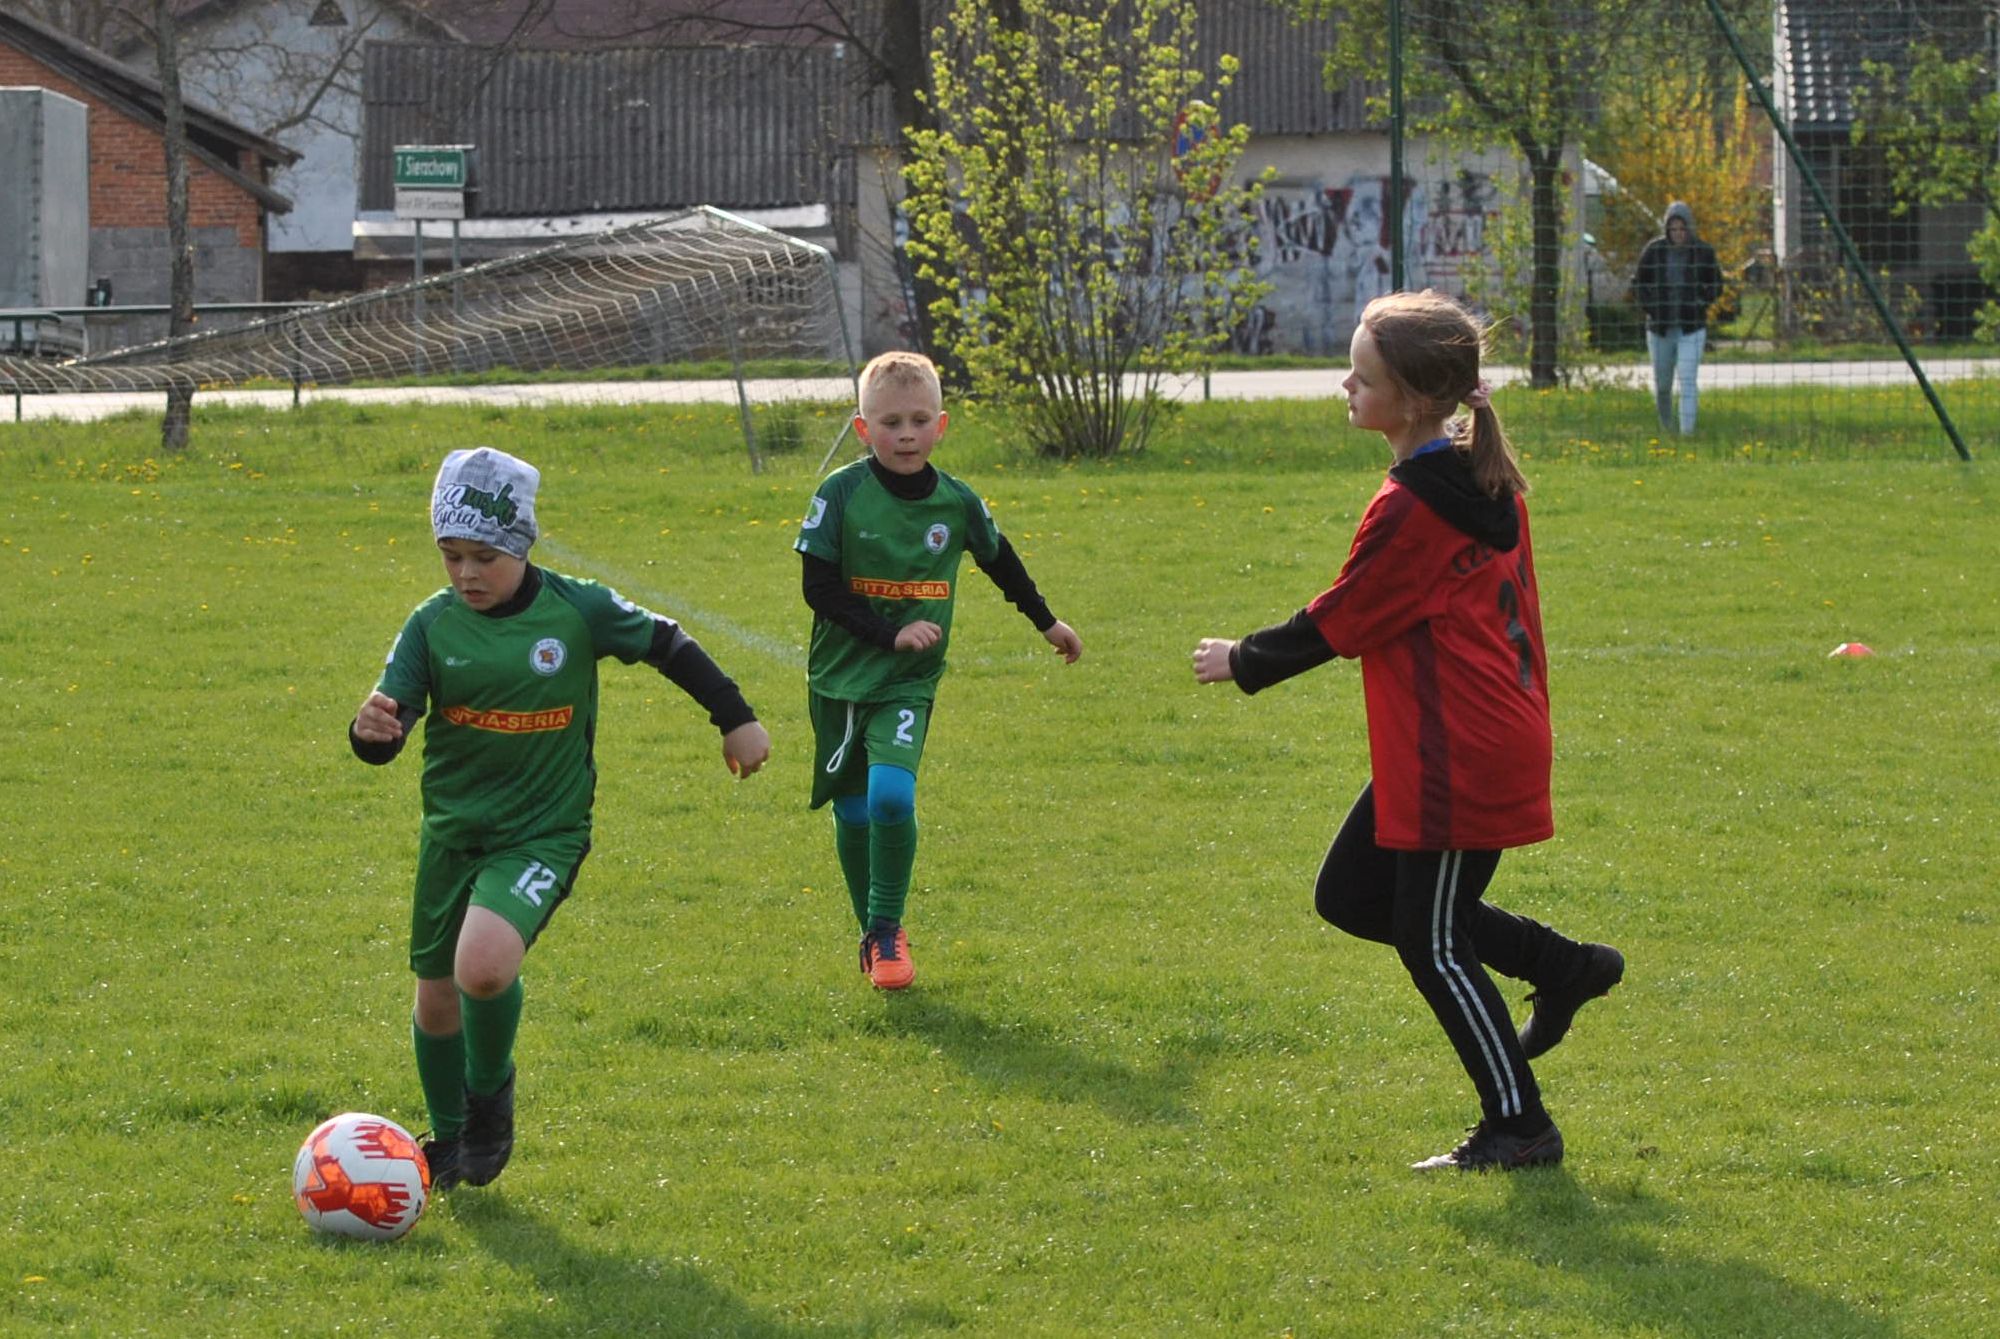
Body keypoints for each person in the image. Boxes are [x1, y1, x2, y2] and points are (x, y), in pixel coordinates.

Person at [1190, 291, 1623, 1173]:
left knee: (1433, 942)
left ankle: (1520, 1125)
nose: (1345, 382)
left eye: (1365, 373)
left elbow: (1347, 615)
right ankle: (1563, 966)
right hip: (1455, 742)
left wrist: (1246, 658)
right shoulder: (1476, 479)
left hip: (1457, 751)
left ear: (1417, 400)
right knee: (1351, 895)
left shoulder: (1416, 506)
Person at [350, 446, 771, 1189]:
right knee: (435, 995)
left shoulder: (575, 610)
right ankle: (448, 1139)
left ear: (523, 543)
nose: (466, 573)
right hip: (451, 836)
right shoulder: (430, 625)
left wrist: (733, 717)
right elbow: (392, 721)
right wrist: (371, 733)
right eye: (450, 556)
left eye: (484, 555)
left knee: (481, 966)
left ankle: (489, 1102)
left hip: (542, 831)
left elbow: (668, 642)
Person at [796, 351, 1082, 990]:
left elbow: (1000, 560)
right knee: (854, 814)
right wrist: (888, 633)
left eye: (919, 420)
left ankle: (887, 927)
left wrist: (1048, 622)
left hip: (909, 679)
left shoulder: (956, 502)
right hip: (840, 678)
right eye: (890, 422)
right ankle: (872, 936)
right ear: (864, 429)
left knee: (891, 798)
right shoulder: (840, 493)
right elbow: (818, 589)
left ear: (941, 425)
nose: (906, 434)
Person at [1633, 201, 1724, 435]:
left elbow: (1716, 284)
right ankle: (1666, 426)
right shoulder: (1654, 251)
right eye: (1673, 229)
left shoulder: (1703, 252)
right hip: (1660, 328)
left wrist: (1701, 302)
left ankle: (1687, 433)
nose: (1678, 234)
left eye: (1682, 229)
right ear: (1667, 229)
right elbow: (1639, 283)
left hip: (1691, 328)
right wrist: (1651, 307)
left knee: (1687, 379)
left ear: (1689, 228)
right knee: (1663, 385)